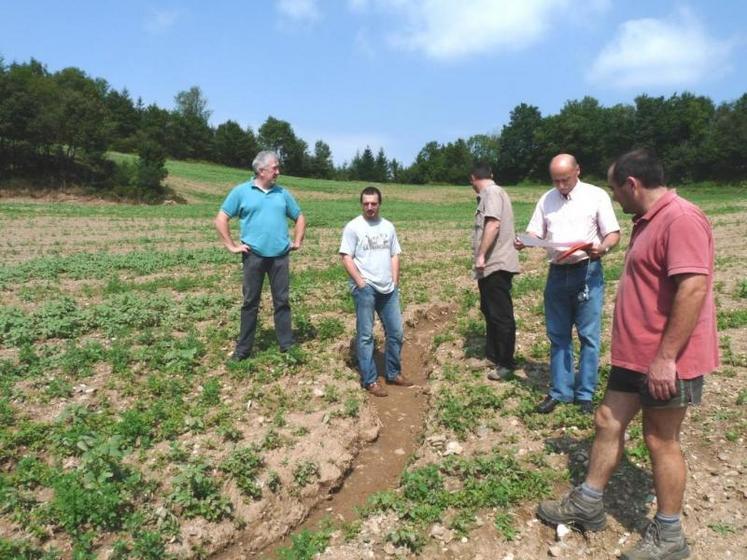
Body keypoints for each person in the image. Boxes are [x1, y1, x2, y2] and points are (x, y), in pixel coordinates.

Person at [537, 149, 718, 560]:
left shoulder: (681, 219)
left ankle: (670, 535)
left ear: (632, 184)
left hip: (666, 359)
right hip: (636, 355)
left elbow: (692, 289)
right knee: (606, 420)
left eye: (616, 188)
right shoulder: (649, 221)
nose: (614, 197)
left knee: (660, 440)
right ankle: (588, 502)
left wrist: (667, 357)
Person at [515, 154, 620, 414]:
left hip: (587, 269)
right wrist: (526, 240)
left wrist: (602, 249)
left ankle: (585, 394)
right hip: (557, 271)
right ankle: (560, 391)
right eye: (556, 181)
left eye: (565, 180)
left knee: (588, 336)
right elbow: (535, 232)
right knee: (558, 335)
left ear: (578, 171)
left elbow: (613, 234)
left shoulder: (596, 196)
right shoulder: (546, 199)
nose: (560, 185)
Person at [214, 150, 306, 360]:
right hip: (253, 256)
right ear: (261, 170)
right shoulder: (241, 192)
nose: (278, 172)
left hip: (280, 257)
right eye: (275, 168)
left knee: (282, 301)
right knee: (250, 303)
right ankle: (243, 349)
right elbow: (221, 219)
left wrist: (298, 240)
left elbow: (299, 216)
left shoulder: (282, 193)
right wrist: (231, 246)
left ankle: (287, 345)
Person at [339, 186, 412, 397]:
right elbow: (346, 256)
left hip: (388, 288)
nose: (370, 207)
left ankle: (393, 373)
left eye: (373, 203)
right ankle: (369, 380)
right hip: (366, 288)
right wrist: (360, 283)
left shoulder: (388, 227)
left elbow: (394, 254)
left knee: (396, 332)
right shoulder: (353, 227)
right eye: (366, 203)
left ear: (380, 204)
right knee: (365, 335)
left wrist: (395, 280)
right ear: (361, 204)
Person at [469, 163, 521, 381]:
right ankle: (493, 355)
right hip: (491, 265)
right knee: (489, 309)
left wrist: (481, 255)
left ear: (473, 179)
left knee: (500, 314)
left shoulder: (491, 193)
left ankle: (506, 363)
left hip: (496, 263)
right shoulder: (494, 193)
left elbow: (493, 225)